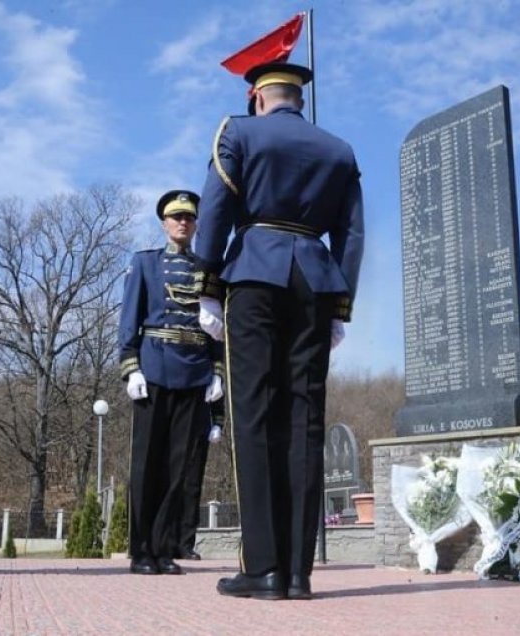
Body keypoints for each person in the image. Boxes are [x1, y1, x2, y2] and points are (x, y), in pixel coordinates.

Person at [195, 62, 364, 600]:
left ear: (258, 97)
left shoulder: (238, 131)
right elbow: (353, 233)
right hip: (314, 281)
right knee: (305, 419)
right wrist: (340, 305)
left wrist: (206, 283)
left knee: (252, 414)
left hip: (254, 275)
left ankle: (261, 568)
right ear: (298, 98)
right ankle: (297, 571)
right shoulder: (339, 148)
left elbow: (217, 207)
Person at [119, 190, 224, 576]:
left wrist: (217, 372)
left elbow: (216, 325)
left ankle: (164, 548)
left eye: (189, 218)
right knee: (147, 464)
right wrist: (131, 367)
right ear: (164, 223)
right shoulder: (146, 264)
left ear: (196, 225)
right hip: (155, 369)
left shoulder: (208, 269)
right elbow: (130, 318)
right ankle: (141, 550)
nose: (183, 223)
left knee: (179, 467)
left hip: (194, 372)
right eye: (176, 217)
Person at [174, 398, 224, 561]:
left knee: (192, 487)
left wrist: (218, 423)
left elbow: (217, 386)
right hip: (174, 426)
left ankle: (186, 544)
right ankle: (165, 541)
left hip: (199, 427)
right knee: (170, 487)